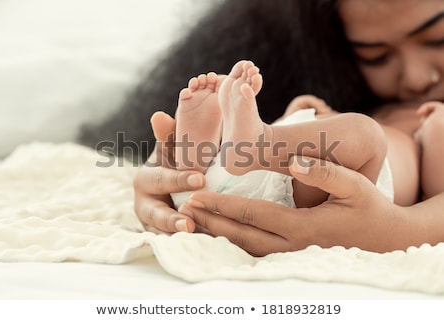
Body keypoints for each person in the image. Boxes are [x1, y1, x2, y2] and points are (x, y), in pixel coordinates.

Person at [86, 0, 444, 256]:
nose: (416, 79)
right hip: (273, 171)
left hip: (356, 188)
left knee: (365, 134)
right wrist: (160, 182)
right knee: (342, 133)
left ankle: (245, 143)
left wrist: (399, 230)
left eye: (438, 38)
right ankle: (198, 160)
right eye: (375, 56)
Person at [171, 59, 396, 210]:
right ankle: (222, 155)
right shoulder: (413, 120)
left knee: (369, 135)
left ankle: (198, 163)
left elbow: (433, 201)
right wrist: (296, 114)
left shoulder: (428, 122)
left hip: (326, 178)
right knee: (355, 136)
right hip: (273, 163)